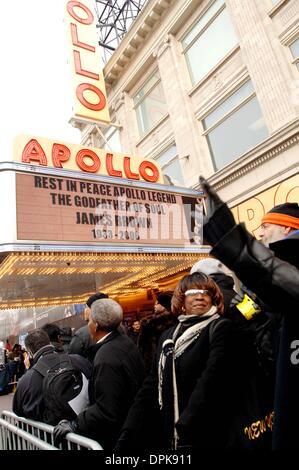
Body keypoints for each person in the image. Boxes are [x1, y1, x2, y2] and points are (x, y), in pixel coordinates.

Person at [199, 176, 299, 450]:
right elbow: (244, 316)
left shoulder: (281, 275)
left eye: (266, 226)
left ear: (289, 227)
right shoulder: (266, 286)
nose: (262, 233)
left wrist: (232, 241)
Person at [116, 273, 239, 450]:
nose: (199, 296)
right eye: (192, 292)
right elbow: (151, 385)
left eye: (206, 292)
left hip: (210, 435)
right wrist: (129, 431)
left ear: (213, 298)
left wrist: (185, 425)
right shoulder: (168, 337)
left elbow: (211, 378)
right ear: (181, 301)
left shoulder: (221, 328)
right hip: (172, 436)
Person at [53, 298, 145, 450]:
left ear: (95, 326)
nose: (87, 324)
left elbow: (107, 408)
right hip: (134, 424)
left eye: (89, 320)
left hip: (120, 436)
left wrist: (75, 423)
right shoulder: (125, 342)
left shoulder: (106, 357)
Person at [13, 329, 91, 423]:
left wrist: (28, 370)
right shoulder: (78, 360)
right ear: (50, 343)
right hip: (87, 427)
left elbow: (18, 410)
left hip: (49, 435)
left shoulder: (26, 380)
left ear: (29, 353)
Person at [138, 292, 178, 375]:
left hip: (154, 362)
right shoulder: (178, 320)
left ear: (164, 305)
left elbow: (143, 347)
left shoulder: (149, 323)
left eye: (158, 303)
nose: (154, 306)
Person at [68, 292, 108, 358]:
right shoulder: (120, 328)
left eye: (86, 307)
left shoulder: (81, 334)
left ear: (93, 309)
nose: (84, 310)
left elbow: (73, 359)